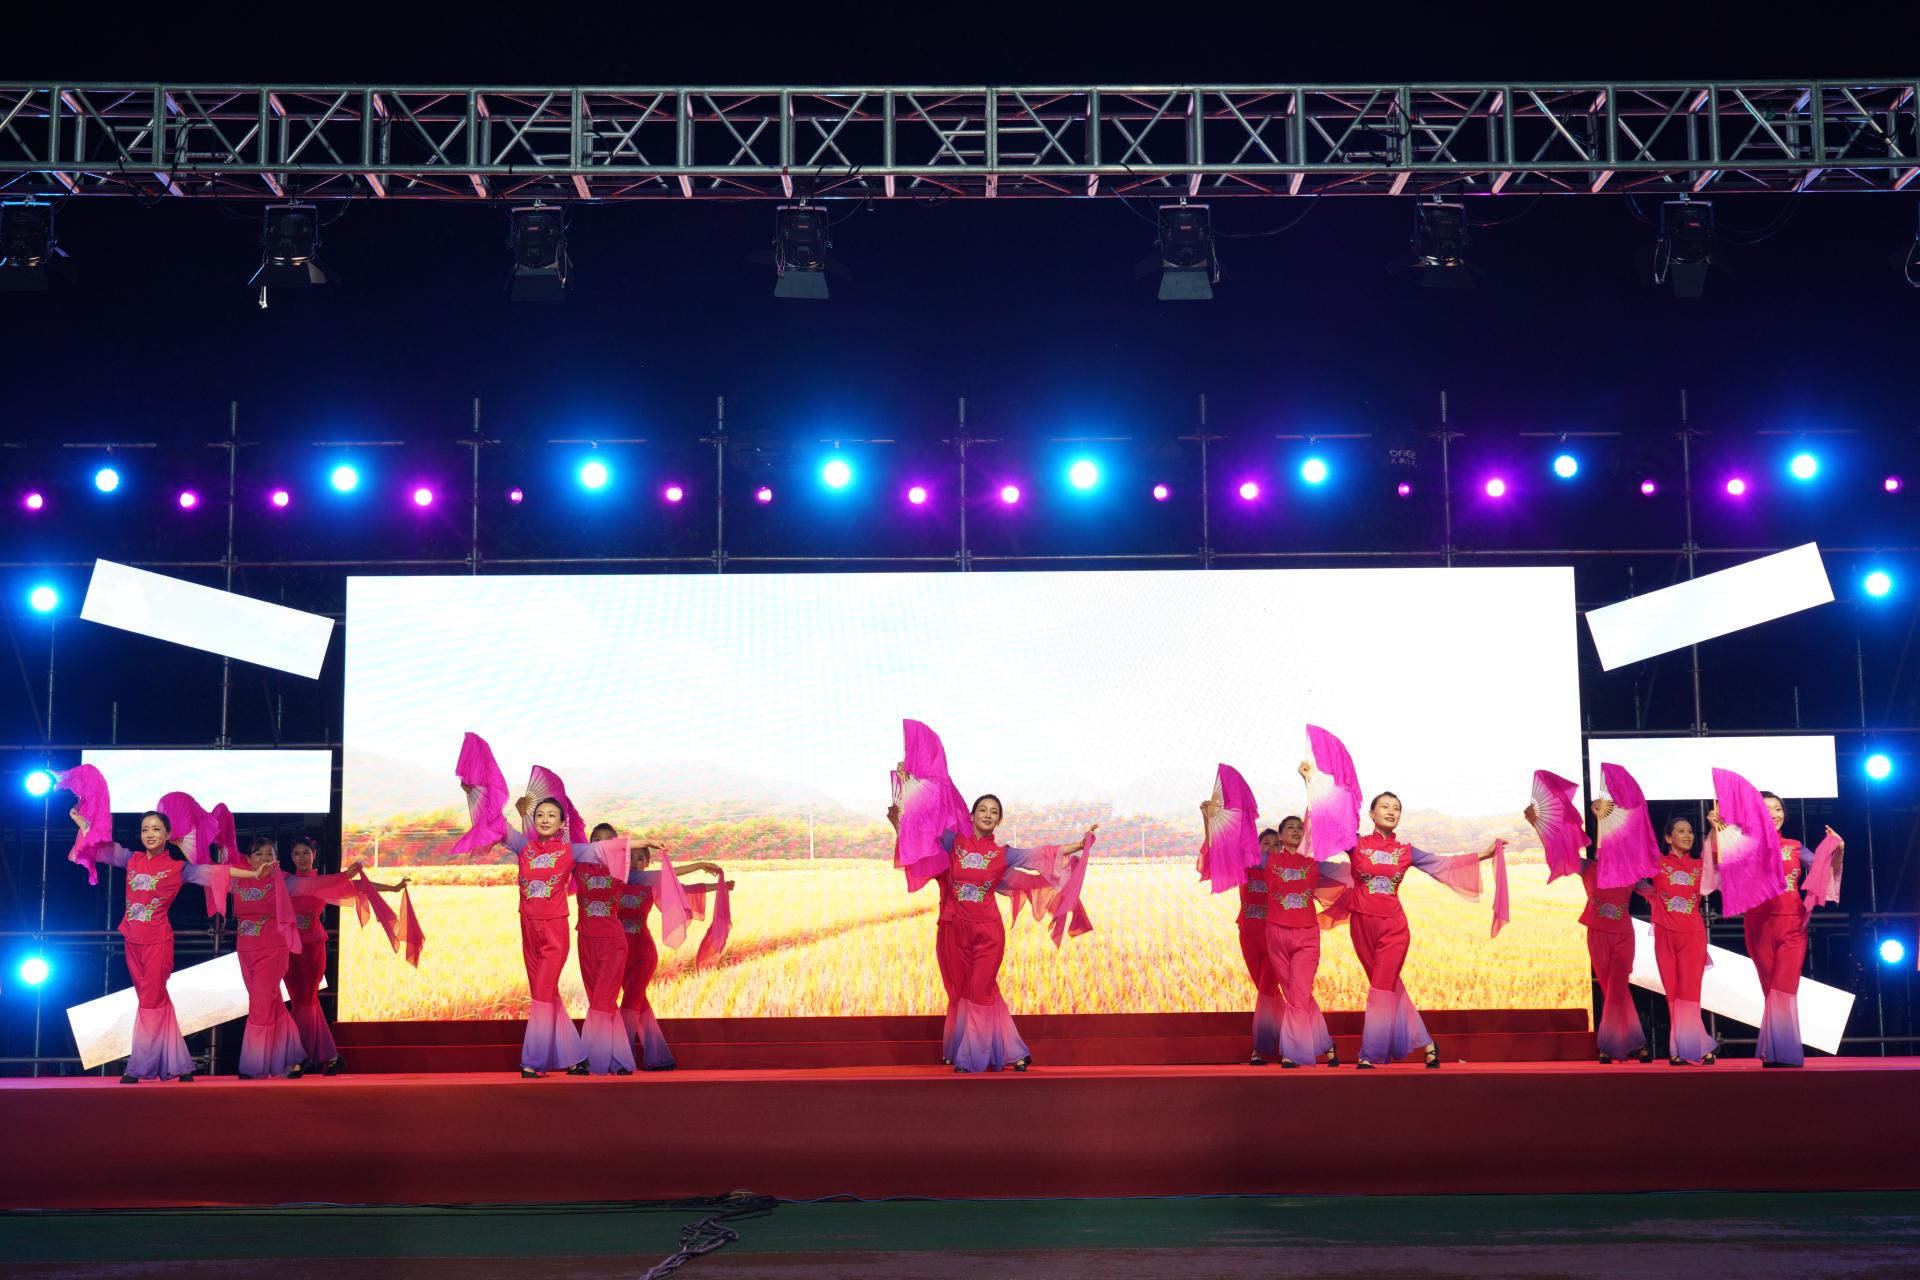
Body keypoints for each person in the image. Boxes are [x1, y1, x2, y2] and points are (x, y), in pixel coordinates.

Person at [1302, 764, 1498, 1069]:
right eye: (1385, 807)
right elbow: (1328, 823)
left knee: (1381, 988)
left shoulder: (1406, 851)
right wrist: (1309, 782)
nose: (1391, 812)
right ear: (1371, 814)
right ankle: (1428, 1044)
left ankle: (1370, 1053)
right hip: (1362, 925)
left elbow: (1443, 864)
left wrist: (1485, 854)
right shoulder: (1356, 843)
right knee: (1389, 987)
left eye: (1396, 808)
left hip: (1393, 929)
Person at [888, 792, 1095, 1073]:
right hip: (955, 932)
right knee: (966, 990)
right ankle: (1011, 1052)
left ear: (999, 821)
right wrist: (899, 816)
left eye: (994, 812)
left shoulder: (1003, 854)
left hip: (988, 935)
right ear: (971, 816)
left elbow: (1041, 854)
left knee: (980, 991)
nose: (987, 815)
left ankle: (970, 1059)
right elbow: (920, 838)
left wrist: (1080, 844)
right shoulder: (953, 843)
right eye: (983, 810)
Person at [499, 795, 659, 1078]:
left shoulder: (572, 852)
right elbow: (498, 825)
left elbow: (606, 848)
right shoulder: (524, 847)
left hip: (557, 933)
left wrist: (643, 842)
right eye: (540, 815)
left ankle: (533, 1061)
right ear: (534, 821)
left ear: (562, 823)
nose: (545, 819)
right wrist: (474, 793)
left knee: (545, 994)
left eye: (552, 815)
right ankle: (575, 1057)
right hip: (530, 931)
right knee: (545, 993)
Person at [72, 808, 235, 1082]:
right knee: (156, 999)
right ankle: (179, 1065)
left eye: (156, 829)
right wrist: (83, 824)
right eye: (145, 829)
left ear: (168, 835)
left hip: (158, 942)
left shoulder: (178, 868)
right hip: (132, 940)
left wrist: (256, 875)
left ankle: (139, 1067)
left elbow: (216, 872)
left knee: (150, 1001)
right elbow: (100, 848)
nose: (150, 834)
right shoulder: (131, 859)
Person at [1717, 792, 1844, 1068]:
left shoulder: (1796, 847)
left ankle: (1783, 1052)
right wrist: (1720, 832)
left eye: (1778, 809)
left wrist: (1839, 849)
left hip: (1793, 927)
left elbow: (1823, 872)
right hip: (1759, 927)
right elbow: (1724, 874)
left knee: (1784, 988)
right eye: (1767, 809)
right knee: (1770, 990)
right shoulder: (1744, 846)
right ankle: (1775, 1051)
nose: (1774, 814)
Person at [599, 821, 726, 1073]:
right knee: (640, 1004)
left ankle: (621, 1059)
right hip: (619, 954)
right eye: (631, 857)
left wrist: (715, 881)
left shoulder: (649, 883)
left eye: (640, 858)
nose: (636, 862)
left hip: (642, 954)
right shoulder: (614, 881)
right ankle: (657, 1058)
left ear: (647, 863)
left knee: (630, 1003)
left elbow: (682, 887)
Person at [1530, 802, 1650, 1064]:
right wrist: (1538, 824)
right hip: (1597, 934)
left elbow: (1656, 893)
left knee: (1617, 986)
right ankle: (1637, 1043)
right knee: (1612, 989)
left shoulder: (1631, 874)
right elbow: (1558, 854)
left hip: (1623, 936)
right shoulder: (1588, 868)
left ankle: (1607, 1046)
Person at [283, 836, 409, 1074]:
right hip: (289, 950)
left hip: (312, 949)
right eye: (297, 853)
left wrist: (392, 888)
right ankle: (330, 1056)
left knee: (305, 1002)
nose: (301, 858)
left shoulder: (324, 882)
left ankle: (299, 1057)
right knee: (304, 1002)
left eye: (305, 853)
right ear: (291, 857)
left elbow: (360, 886)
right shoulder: (286, 881)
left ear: (314, 855)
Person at [1626, 812, 1718, 1066]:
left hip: (1692, 935)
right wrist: (1651, 893)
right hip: (1665, 935)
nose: (1688, 835)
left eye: (1690, 831)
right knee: (1673, 993)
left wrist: (1713, 828)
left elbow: (1713, 854)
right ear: (1668, 838)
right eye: (1681, 831)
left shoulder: (1699, 866)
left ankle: (1682, 1049)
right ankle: (1693, 1047)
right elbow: (1632, 869)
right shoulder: (1657, 863)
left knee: (1689, 992)